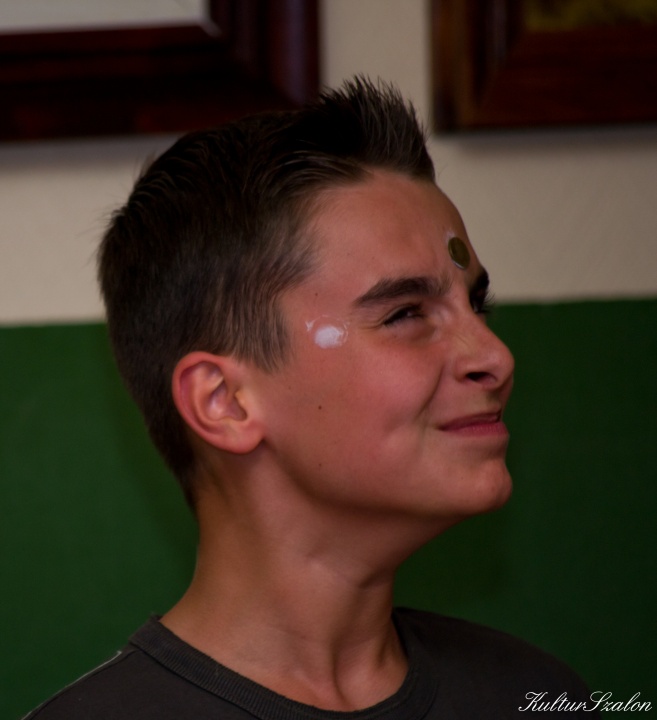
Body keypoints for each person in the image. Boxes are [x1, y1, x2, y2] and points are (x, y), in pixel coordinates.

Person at [25, 77, 596, 719]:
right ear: (225, 402)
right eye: (406, 313)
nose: (495, 357)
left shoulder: (540, 698)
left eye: (477, 305)